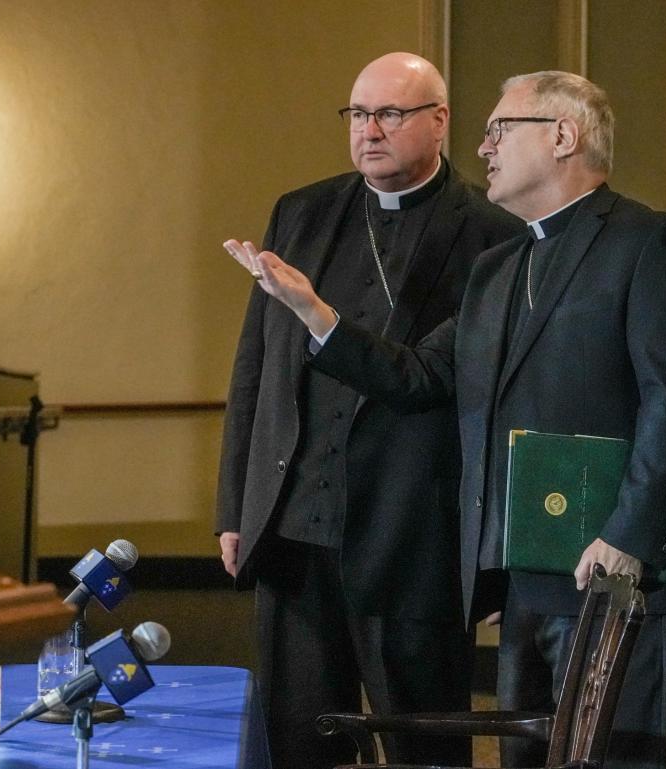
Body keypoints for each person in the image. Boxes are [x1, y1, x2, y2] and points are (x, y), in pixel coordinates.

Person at [228, 71, 666, 769]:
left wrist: (626, 537)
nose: (483, 146)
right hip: (522, 580)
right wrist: (317, 315)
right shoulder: (499, 267)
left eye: (500, 129)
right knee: (524, 757)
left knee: (614, 760)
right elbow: (418, 376)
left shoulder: (648, 242)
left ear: (562, 135)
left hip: (617, 577)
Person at [215, 52, 521, 769]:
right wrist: (237, 502)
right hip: (295, 531)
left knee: (422, 742)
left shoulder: (491, 232)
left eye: (389, 113)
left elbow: (493, 406)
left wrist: (497, 555)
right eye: (357, 114)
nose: (369, 130)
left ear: (439, 122)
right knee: (297, 739)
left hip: (414, 534)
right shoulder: (302, 210)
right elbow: (256, 368)